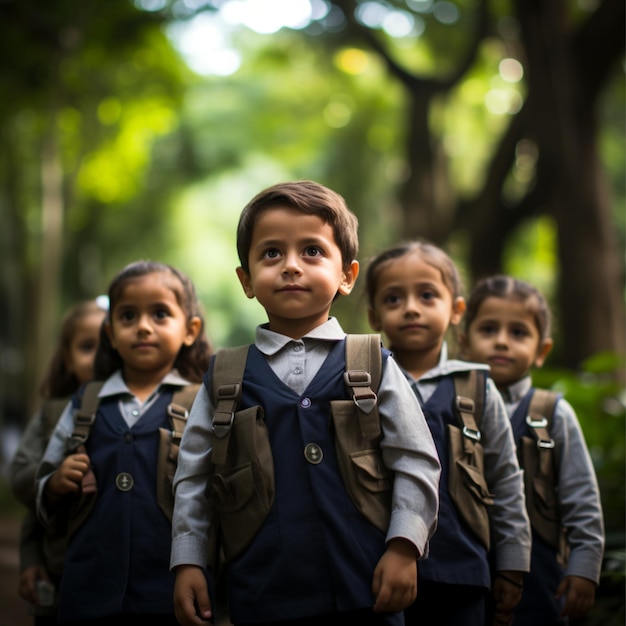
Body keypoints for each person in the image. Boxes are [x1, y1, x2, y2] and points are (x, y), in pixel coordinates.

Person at [170, 180, 441, 626]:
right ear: (246, 280)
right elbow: (194, 479)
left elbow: (415, 460)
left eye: (312, 251)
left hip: (366, 589)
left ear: (347, 276)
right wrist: (188, 560)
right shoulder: (225, 377)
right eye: (271, 253)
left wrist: (404, 545)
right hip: (262, 593)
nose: (291, 266)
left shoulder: (372, 364)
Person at [364, 240, 531, 626]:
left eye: (427, 295)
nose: (410, 308)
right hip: (376, 567)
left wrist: (511, 564)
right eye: (393, 299)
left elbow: (505, 477)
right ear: (374, 316)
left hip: (462, 569)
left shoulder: (476, 386)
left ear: (456, 310)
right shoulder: (362, 383)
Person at [35, 260, 212, 625]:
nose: (143, 327)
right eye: (128, 316)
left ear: (190, 330)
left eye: (160, 314)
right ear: (111, 333)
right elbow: (45, 479)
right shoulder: (86, 401)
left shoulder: (201, 401)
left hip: (169, 593)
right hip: (86, 591)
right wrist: (56, 482)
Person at [458, 274, 605, 625]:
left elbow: (581, 499)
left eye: (519, 333)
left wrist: (584, 568)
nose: (502, 342)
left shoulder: (552, 414)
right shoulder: (450, 405)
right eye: (489, 329)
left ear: (542, 351)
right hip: (466, 580)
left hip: (541, 582)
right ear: (464, 342)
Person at [9, 299, 107, 625]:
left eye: (108, 344)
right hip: (61, 573)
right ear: (67, 357)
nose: (99, 357)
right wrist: (51, 480)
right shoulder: (53, 413)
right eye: (87, 346)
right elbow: (25, 484)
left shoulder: (143, 411)